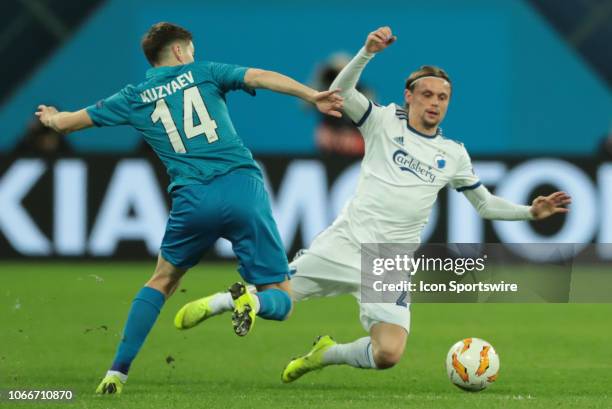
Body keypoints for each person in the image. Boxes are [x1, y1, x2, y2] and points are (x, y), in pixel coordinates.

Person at [175, 26, 571, 381]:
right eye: (428, 94)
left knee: (388, 354)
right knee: (277, 296)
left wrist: (529, 212)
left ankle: (326, 354)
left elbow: (484, 205)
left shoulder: (454, 154)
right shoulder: (382, 121)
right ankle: (220, 302)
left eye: (444, 97)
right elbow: (342, 94)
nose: (435, 103)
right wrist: (366, 52)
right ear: (409, 95)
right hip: (346, 241)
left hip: (389, 261)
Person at [35, 21, 343, 394]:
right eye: (191, 49)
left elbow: (68, 124)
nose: (192, 54)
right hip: (242, 187)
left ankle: (116, 372)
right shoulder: (204, 72)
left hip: (192, 199)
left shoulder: (133, 96)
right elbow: (260, 76)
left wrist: (51, 116)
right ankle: (247, 300)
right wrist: (312, 96)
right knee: (281, 295)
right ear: (180, 51)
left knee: (162, 280)